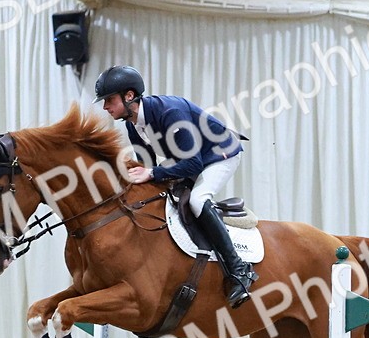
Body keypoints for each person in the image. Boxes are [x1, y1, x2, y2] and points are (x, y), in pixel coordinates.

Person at [95, 65, 257, 309]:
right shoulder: (132, 124)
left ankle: (239, 270)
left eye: (109, 100)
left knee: (197, 200)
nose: (105, 107)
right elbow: (146, 164)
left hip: (220, 154)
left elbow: (191, 165)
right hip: (193, 158)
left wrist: (152, 173)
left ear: (129, 96)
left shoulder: (170, 113)